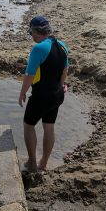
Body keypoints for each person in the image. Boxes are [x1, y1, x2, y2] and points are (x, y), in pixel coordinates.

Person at [18, 16, 69, 172]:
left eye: (31, 32)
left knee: (28, 126)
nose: (31, 36)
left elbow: (29, 75)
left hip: (42, 95)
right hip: (57, 94)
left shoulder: (39, 48)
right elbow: (65, 70)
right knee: (49, 127)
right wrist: (61, 86)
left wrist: (22, 93)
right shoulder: (62, 45)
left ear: (35, 31)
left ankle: (32, 163)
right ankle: (44, 163)